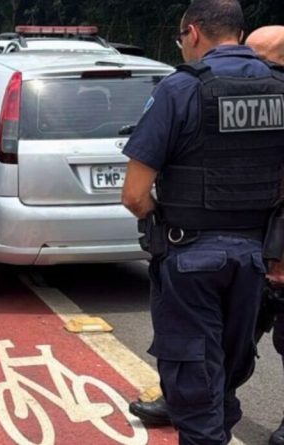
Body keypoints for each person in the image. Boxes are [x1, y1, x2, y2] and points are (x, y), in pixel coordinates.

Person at [121, 1, 284, 443]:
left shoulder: (180, 88)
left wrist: (160, 218)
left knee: (193, 385)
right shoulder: (279, 87)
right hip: (254, 261)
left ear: (192, 33)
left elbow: (134, 194)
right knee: (226, 374)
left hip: (191, 257)